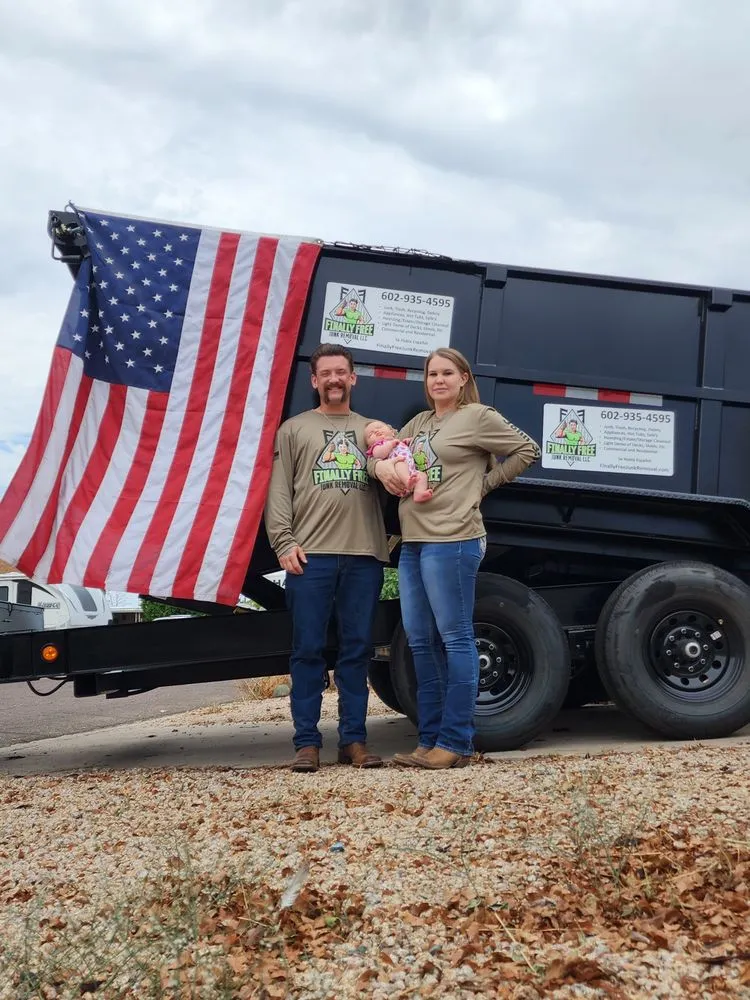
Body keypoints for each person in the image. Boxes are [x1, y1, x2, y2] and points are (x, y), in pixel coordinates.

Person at [370, 347, 541, 770]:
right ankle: (429, 741)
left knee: (455, 638)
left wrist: (484, 485)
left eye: (447, 373)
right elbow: (386, 450)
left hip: (454, 539)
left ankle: (456, 742)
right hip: (412, 543)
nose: (438, 380)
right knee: (420, 642)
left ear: (463, 378)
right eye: (432, 374)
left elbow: (526, 450)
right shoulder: (421, 423)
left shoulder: (478, 417)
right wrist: (384, 472)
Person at [264, 344, 390, 773]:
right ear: (314, 381)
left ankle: (353, 740)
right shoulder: (294, 429)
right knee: (308, 652)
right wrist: (283, 540)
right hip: (310, 557)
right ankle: (306, 743)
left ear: (353, 378)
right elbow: (279, 490)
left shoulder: (373, 432)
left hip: (363, 556)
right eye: (326, 374)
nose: (334, 380)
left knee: (357, 651)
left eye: (342, 372)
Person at [364, 420, 433, 503]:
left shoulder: (398, 440)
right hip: (398, 476)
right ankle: (407, 481)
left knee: (422, 475)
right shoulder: (377, 446)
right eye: (371, 434)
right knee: (400, 462)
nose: (376, 431)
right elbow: (378, 454)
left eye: (379, 427)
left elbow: (411, 445)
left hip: (411, 471)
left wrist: (409, 441)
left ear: (392, 432)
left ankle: (419, 493)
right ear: (369, 445)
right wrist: (389, 445)